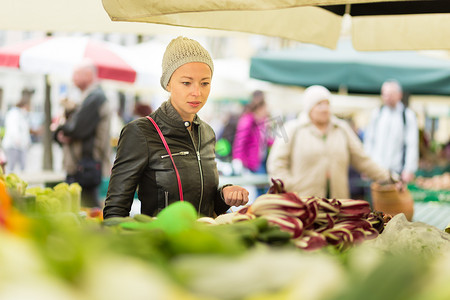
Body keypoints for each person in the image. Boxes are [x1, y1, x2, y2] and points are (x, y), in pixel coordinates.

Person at [103, 36, 249, 219]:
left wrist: (224, 195)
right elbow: (115, 212)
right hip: (162, 244)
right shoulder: (141, 132)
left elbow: (206, 206)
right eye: (186, 82)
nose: (197, 92)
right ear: (168, 83)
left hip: (205, 242)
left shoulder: (207, 133)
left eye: (205, 83)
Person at [267, 85, 392, 199]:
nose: (324, 109)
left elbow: (362, 160)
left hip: (337, 203)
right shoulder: (292, 129)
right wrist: (289, 188)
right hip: (303, 202)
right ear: (309, 108)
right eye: (319, 104)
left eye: (327, 104)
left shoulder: (341, 128)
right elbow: (276, 164)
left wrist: (388, 178)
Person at [54, 59, 112, 208]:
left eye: (76, 74)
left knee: (86, 209)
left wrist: (60, 128)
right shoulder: (90, 97)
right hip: (83, 165)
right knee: (84, 208)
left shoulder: (95, 97)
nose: (72, 78)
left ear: (88, 75)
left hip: (86, 165)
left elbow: (76, 128)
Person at [363, 80, 419, 183]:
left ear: (399, 95)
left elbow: (412, 144)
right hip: (377, 170)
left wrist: (409, 169)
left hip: (397, 171)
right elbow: (369, 141)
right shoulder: (377, 114)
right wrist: (367, 166)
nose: (387, 98)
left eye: (391, 95)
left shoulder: (407, 115)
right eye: (385, 95)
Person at [232, 90, 274, 174]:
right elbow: (240, 141)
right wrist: (237, 159)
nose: (267, 111)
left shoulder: (262, 122)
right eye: (265, 108)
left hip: (260, 161)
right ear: (259, 108)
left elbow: (266, 141)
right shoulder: (247, 120)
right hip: (250, 164)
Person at [2, 96, 32, 173]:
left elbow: (25, 130)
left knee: (23, 166)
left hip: (22, 145)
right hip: (13, 144)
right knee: (11, 166)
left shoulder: (23, 115)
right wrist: (16, 139)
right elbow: (13, 128)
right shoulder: (14, 114)